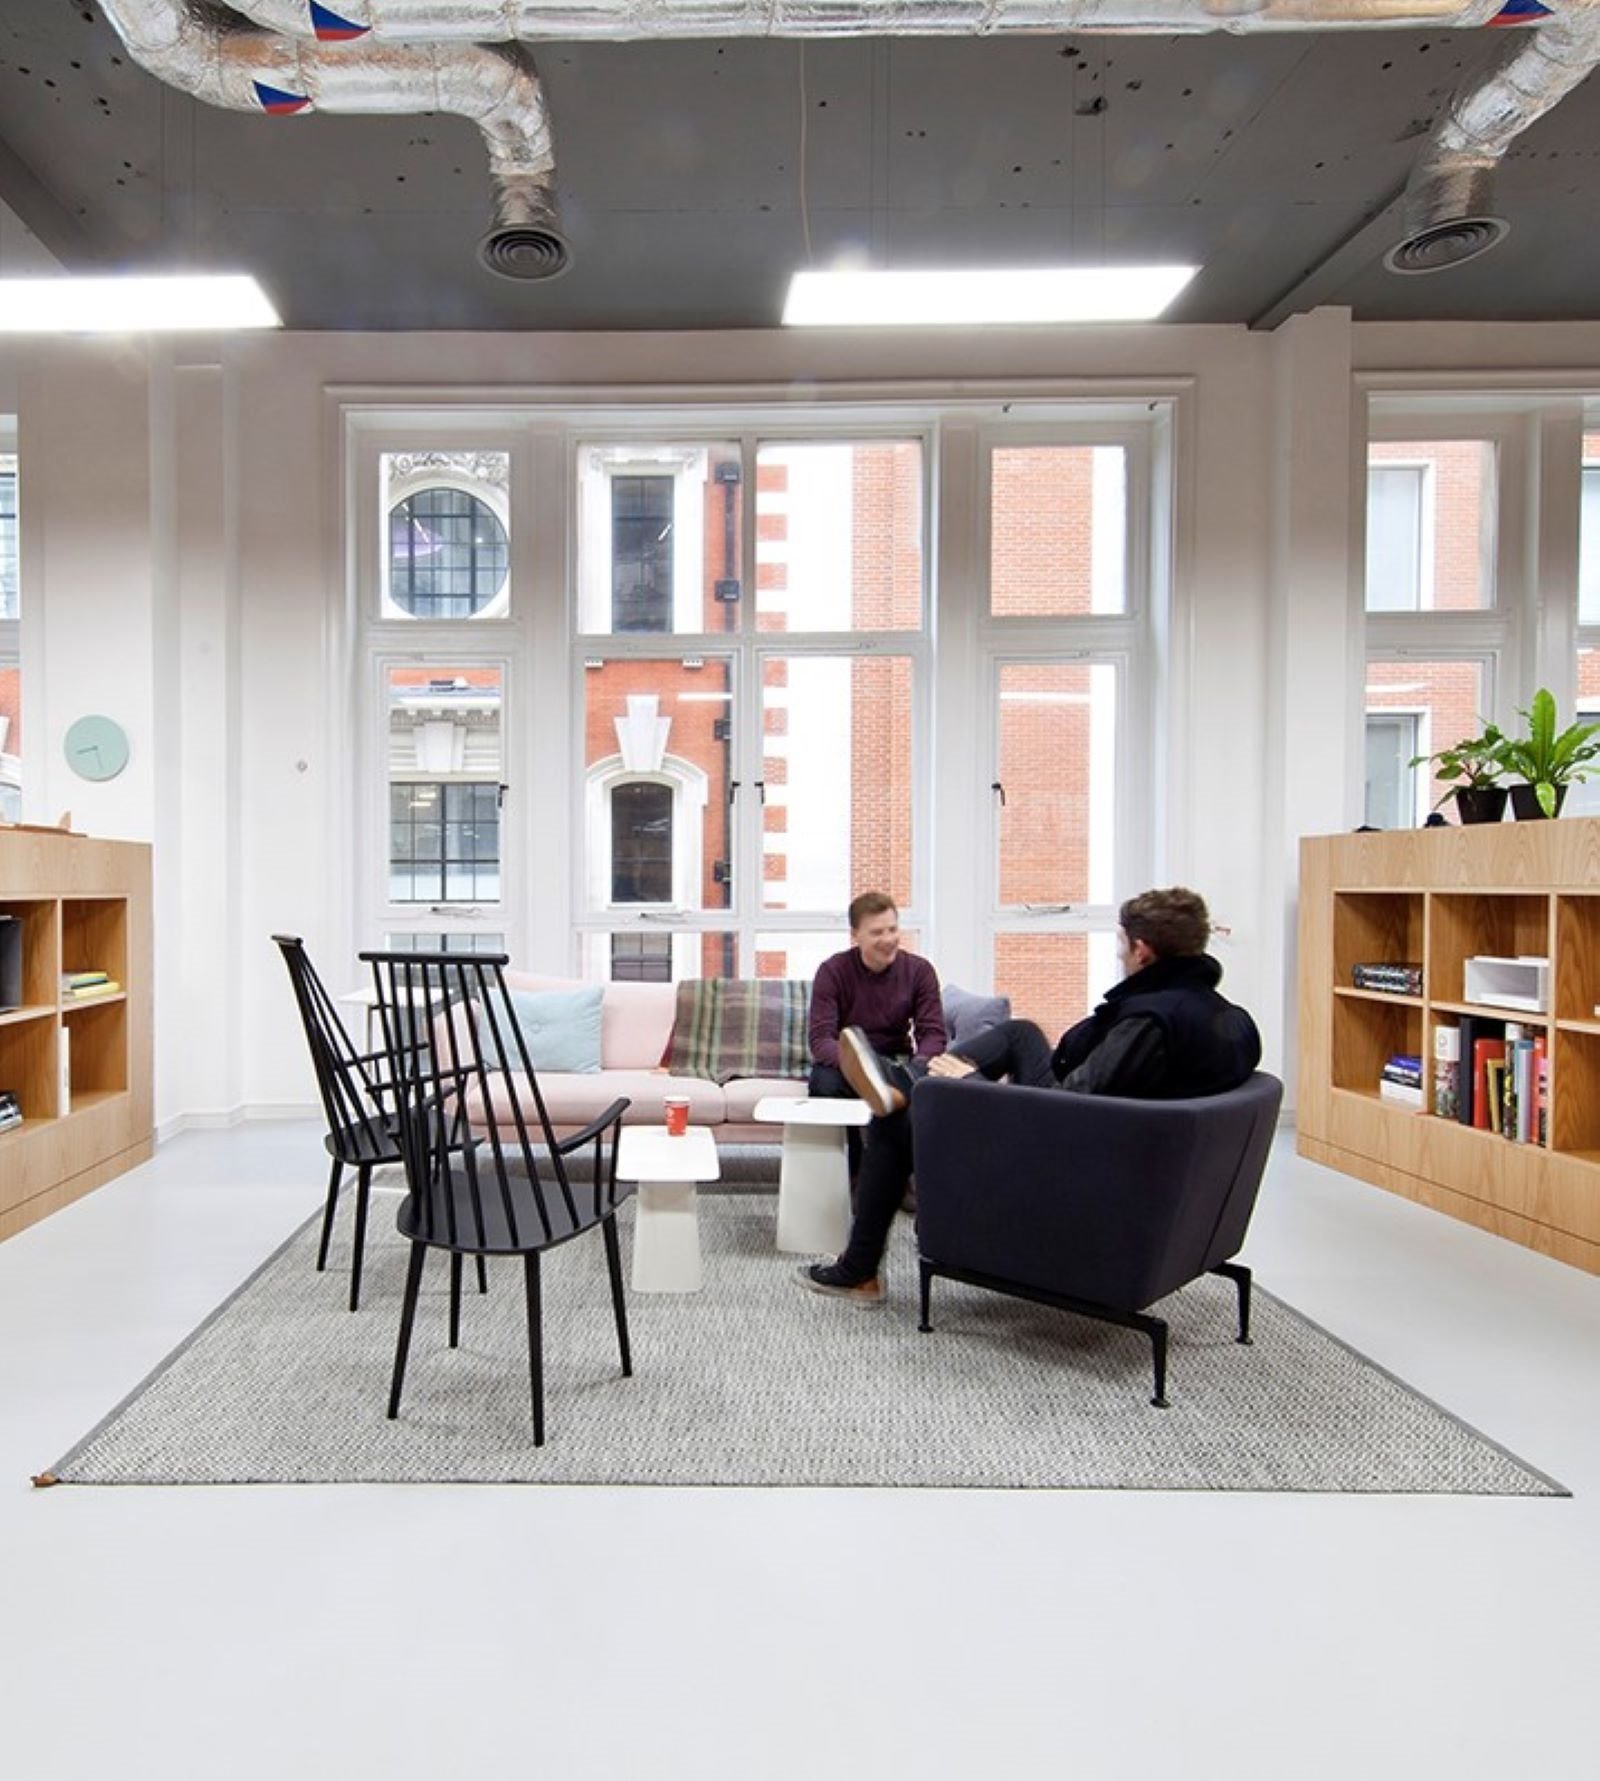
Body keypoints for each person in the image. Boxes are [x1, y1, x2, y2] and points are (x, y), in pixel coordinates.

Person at [800, 886, 1261, 1305]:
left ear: (1142, 951)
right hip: (1114, 1142)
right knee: (1020, 1033)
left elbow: (1074, 1109)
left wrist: (971, 1084)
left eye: (1122, 942)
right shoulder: (1226, 1018)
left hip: (1061, 1149)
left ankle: (859, 1268)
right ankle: (904, 1086)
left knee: (894, 1123)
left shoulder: (1148, 1023)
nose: (1119, 951)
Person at [806, 891, 947, 1176]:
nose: (888, 939)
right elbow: (821, 1040)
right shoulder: (832, 971)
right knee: (823, 1082)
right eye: (877, 932)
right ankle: (854, 1172)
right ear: (855, 935)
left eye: (892, 929)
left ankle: (904, 1174)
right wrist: (860, 1066)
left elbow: (933, 1034)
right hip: (850, 1063)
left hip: (896, 1062)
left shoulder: (919, 971)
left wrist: (919, 1066)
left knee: (923, 1081)